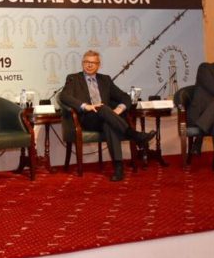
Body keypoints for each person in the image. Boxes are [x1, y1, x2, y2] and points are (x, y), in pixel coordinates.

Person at [58, 50, 156, 182]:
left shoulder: (105, 79)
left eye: (93, 63)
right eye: (86, 62)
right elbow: (64, 96)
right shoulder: (73, 78)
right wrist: (85, 106)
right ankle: (134, 135)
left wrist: (119, 109)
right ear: (82, 63)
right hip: (87, 119)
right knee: (103, 107)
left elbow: (124, 97)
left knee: (109, 124)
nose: (89, 65)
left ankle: (118, 168)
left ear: (98, 65)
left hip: (105, 117)